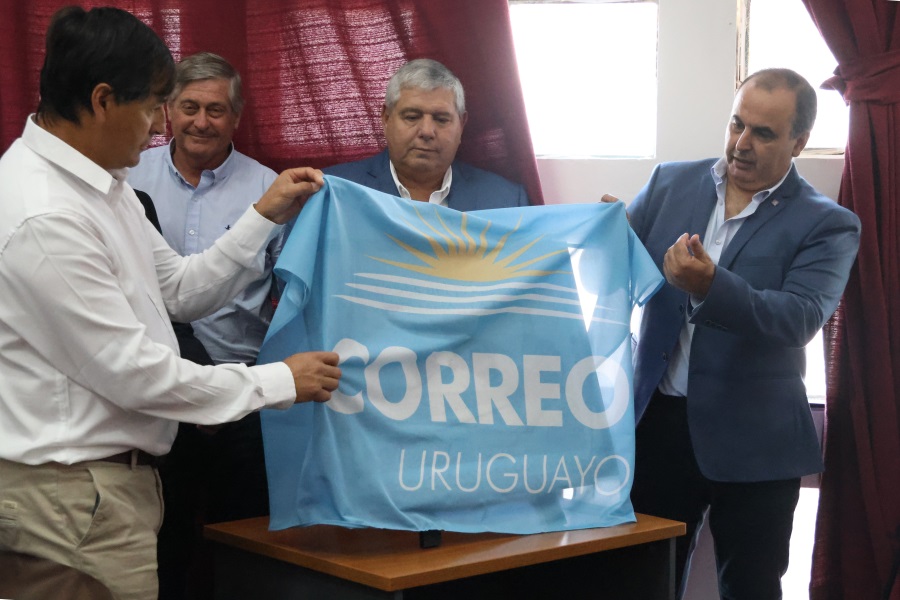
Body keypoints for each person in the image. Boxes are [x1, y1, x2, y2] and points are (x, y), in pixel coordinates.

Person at [0, 7, 341, 600]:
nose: (164, 126)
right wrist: (276, 382)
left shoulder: (102, 185)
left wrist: (263, 215)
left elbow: (180, 290)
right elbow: (137, 375)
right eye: (156, 104)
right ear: (103, 100)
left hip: (105, 496)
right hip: (69, 507)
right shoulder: (46, 215)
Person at [605, 68, 861, 599]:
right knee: (638, 582)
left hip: (758, 442)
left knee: (750, 588)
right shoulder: (669, 182)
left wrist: (711, 285)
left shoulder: (828, 223)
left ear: (799, 141)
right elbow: (622, 274)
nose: (741, 144)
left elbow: (799, 318)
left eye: (763, 133)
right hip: (661, 428)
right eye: (736, 124)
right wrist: (608, 237)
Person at [127, 52, 280, 599]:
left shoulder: (269, 189)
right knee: (163, 545)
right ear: (167, 110)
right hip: (157, 395)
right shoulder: (126, 180)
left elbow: (291, 293)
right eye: (189, 107)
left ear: (235, 117)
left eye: (216, 110)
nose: (201, 121)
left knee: (245, 544)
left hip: (246, 399)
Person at [325, 58, 529, 210]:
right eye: (412, 117)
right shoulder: (333, 191)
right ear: (386, 118)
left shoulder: (506, 200)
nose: (427, 132)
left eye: (441, 119)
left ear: (462, 124)